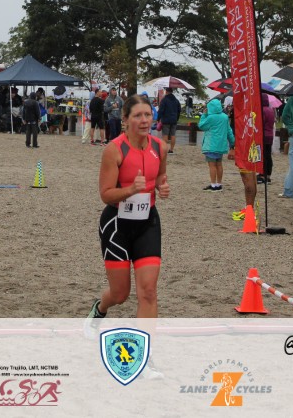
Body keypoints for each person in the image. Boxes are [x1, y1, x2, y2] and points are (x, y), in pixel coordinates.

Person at [84, 95, 169, 378]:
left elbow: (160, 178)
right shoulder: (114, 150)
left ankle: (145, 358)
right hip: (117, 225)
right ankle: (99, 309)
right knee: (121, 294)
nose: (144, 120)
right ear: (125, 119)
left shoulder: (160, 147)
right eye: (138, 116)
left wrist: (163, 188)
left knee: (148, 291)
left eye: (148, 115)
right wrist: (131, 190)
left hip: (147, 223)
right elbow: (105, 194)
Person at [198, 98, 234, 191]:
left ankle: (213, 184)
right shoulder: (225, 117)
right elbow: (229, 131)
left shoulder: (210, 117)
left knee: (212, 165)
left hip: (211, 145)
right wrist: (232, 143)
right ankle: (219, 184)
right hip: (221, 145)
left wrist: (204, 115)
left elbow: (202, 126)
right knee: (219, 164)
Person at [157, 87, 181, 154]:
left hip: (166, 120)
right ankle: (171, 149)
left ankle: (165, 149)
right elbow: (179, 110)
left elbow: (161, 110)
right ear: (172, 92)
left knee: (165, 134)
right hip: (174, 120)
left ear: (166, 91)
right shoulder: (176, 100)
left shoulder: (164, 100)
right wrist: (176, 118)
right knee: (173, 134)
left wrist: (158, 119)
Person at [258, 93, 275, 184]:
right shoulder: (271, 110)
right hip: (270, 135)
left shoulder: (262, 110)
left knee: (263, 156)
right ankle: (268, 175)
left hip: (263, 135)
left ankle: (262, 174)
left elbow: (261, 123)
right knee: (268, 155)